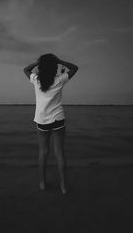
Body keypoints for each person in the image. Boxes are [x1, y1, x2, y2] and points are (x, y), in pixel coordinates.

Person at [23, 53, 78, 194]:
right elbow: (74, 68)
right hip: (58, 119)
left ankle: (42, 183)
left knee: (43, 153)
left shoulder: (36, 79)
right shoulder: (60, 79)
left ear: (41, 67)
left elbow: (25, 70)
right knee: (60, 154)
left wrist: (37, 63)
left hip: (42, 120)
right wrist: (60, 61)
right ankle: (63, 186)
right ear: (55, 67)